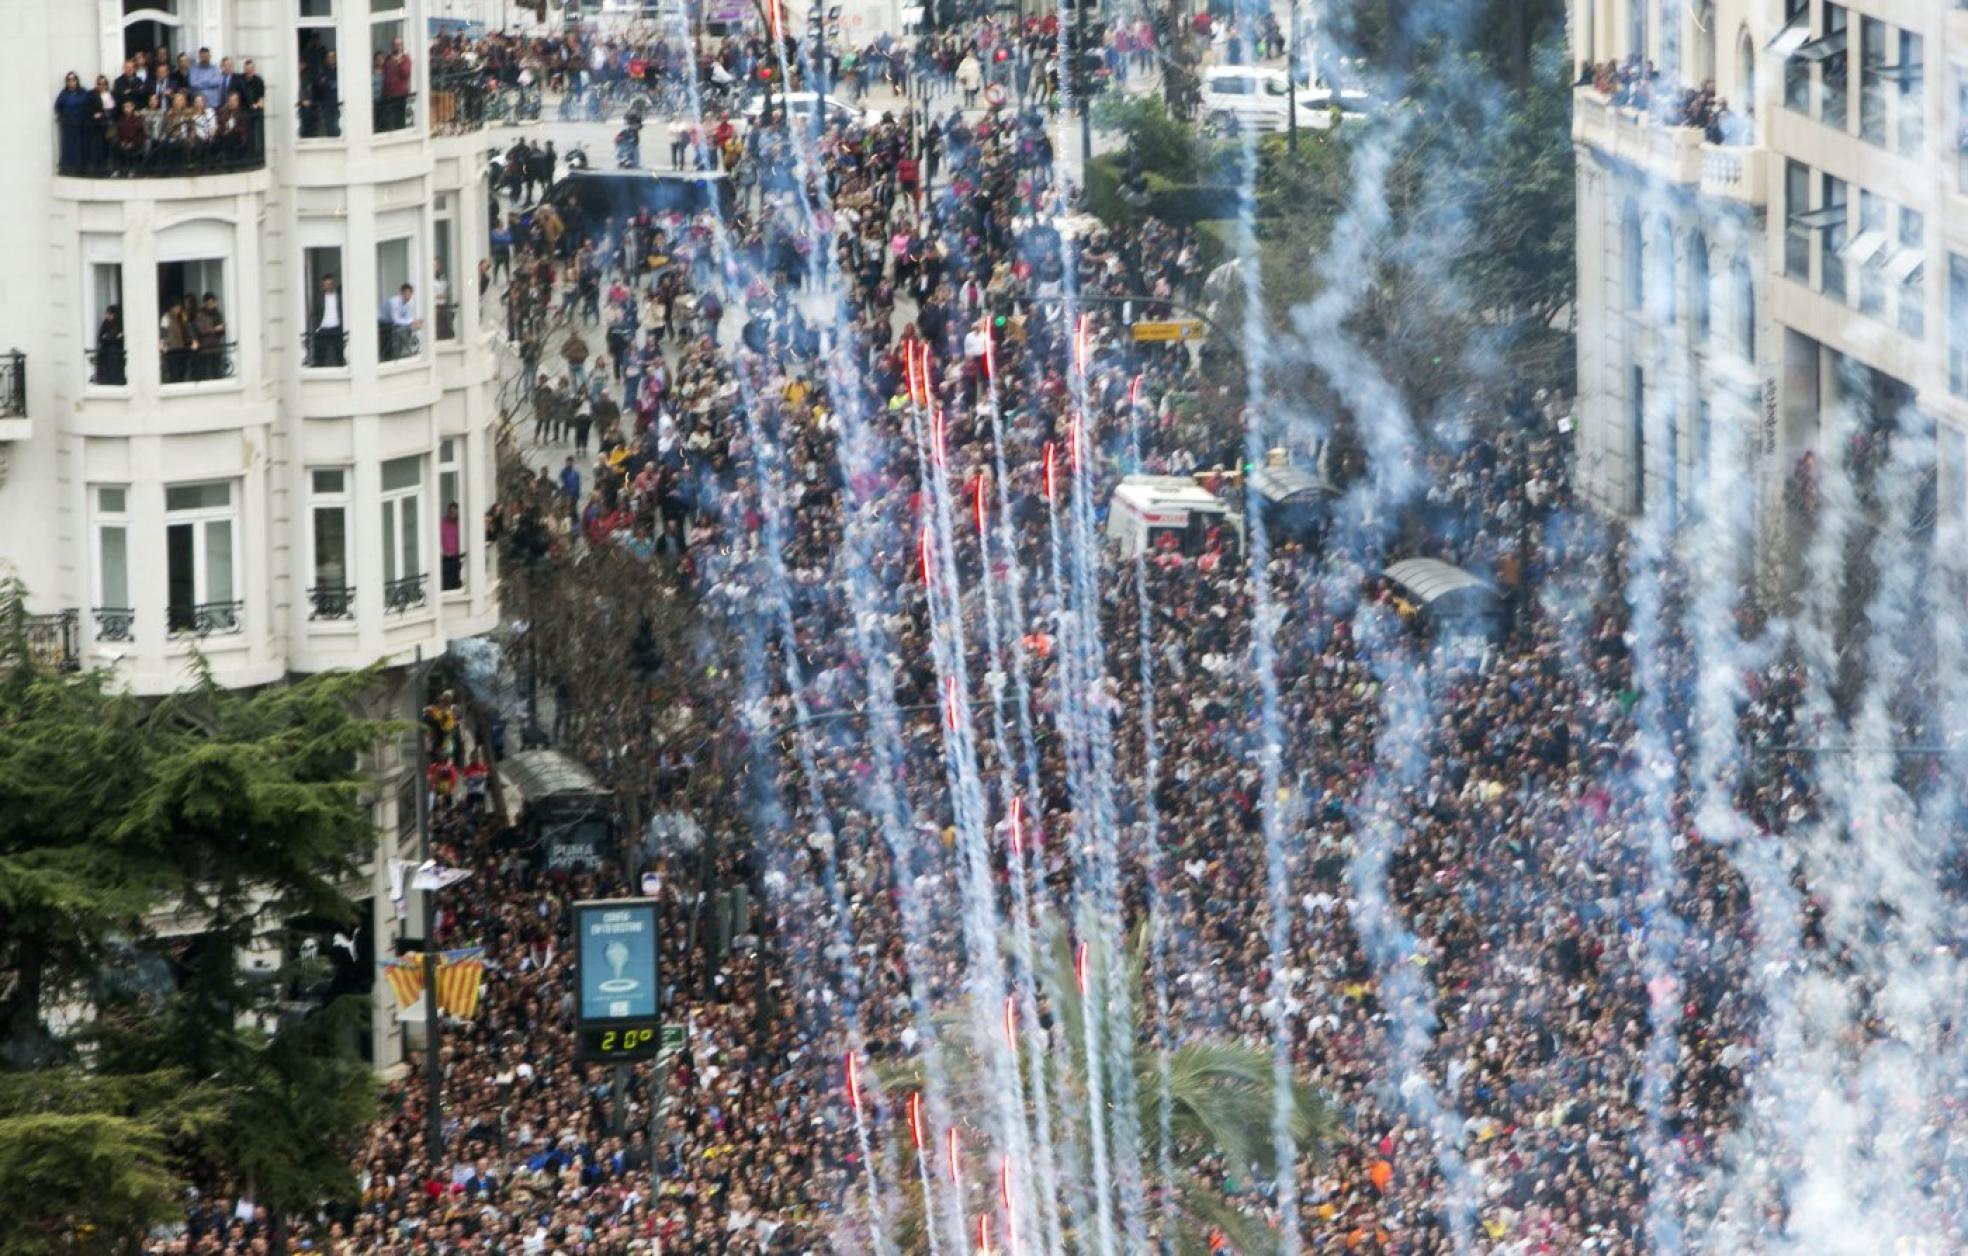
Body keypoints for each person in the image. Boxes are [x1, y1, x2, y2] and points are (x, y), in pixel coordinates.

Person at [54, 73, 93, 174]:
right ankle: (68, 167)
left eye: (73, 80)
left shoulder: (83, 92)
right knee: (69, 147)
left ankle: (82, 167)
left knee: (82, 146)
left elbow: (87, 104)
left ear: (77, 81)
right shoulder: (64, 93)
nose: (71, 82)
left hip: (81, 125)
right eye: (69, 80)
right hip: (69, 125)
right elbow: (58, 106)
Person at [309, 273, 346, 367]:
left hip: (336, 328)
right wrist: (316, 328)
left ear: (333, 284)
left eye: (330, 284)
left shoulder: (339, 296)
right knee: (320, 356)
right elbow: (314, 313)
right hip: (323, 329)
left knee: (339, 355)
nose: (328, 286)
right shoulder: (319, 297)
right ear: (323, 286)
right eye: (326, 285)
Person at [303, 49, 340, 138]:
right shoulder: (321, 74)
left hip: (338, 106)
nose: (331, 59)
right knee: (329, 130)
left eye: (333, 56)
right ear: (325, 59)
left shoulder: (341, 72)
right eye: (329, 57)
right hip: (326, 108)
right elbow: (316, 91)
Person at [380, 282, 420, 359]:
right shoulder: (394, 302)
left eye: (409, 294)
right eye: (406, 293)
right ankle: (386, 358)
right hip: (382, 321)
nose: (408, 296)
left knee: (399, 334)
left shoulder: (410, 302)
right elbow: (396, 320)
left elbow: (407, 318)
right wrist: (412, 321)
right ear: (401, 293)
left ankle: (402, 354)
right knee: (384, 344)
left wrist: (413, 322)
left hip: (391, 323)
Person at [192, 292, 227, 379]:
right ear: (205, 303)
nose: (211, 305)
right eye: (209, 303)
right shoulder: (200, 315)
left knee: (217, 372)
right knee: (203, 373)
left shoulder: (217, 314)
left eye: (213, 303)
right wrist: (215, 329)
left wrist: (222, 329)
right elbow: (201, 330)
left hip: (216, 347)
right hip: (205, 348)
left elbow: (221, 332)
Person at [382, 36, 413, 131]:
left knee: (399, 119)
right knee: (389, 119)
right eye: (395, 44)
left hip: (400, 94)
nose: (397, 46)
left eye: (399, 44)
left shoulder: (406, 58)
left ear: (402, 46)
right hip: (388, 93)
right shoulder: (388, 58)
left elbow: (406, 74)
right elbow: (385, 72)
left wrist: (399, 63)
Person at [94, 304, 126, 386]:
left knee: (114, 366)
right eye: (107, 314)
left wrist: (109, 336)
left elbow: (119, 337)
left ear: (114, 314)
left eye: (109, 314)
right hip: (105, 350)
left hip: (115, 350)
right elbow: (100, 337)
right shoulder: (105, 323)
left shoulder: (119, 323)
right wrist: (111, 336)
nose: (108, 316)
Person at [441, 501, 464, 590]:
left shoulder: (459, 524)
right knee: (446, 583)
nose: (453, 515)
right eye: (451, 512)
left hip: (457, 557)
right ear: (448, 511)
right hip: (446, 558)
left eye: (455, 513)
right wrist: (442, 552)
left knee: (456, 582)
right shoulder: (442, 523)